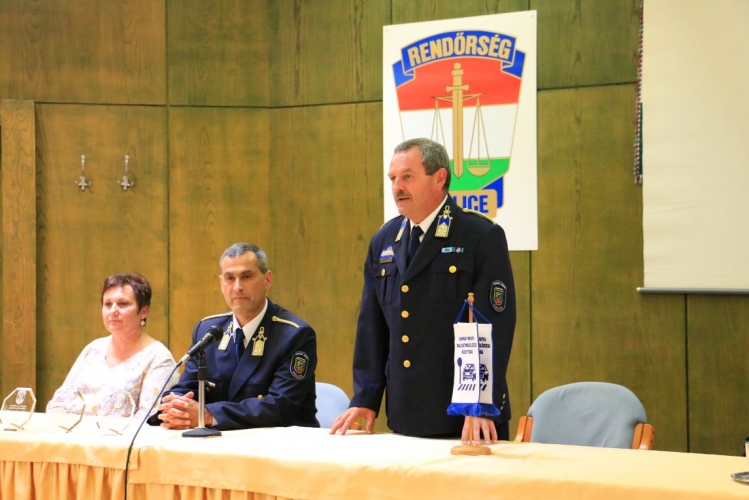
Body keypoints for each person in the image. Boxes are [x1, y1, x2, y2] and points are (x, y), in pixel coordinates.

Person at [330, 138, 516, 443]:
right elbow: (372, 328)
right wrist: (366, 397)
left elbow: (494, 326)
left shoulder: (479, 236)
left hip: (465, 417)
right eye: (393, 178)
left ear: (439, 178)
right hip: (406, 414)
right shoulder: (384, 240)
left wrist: (480, 404)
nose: (397, 187)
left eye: (407, 176)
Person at [151, 242, 318, 430]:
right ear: (221, 283)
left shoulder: (294, 335)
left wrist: (207, 414)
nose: (237, 287)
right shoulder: (208, 330)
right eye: (230, 278)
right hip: (221, 440)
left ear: (267, 280)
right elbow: (188, 387)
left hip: (279, 442)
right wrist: (177, 408)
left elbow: (281, 405)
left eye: (247, 277)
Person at [46, 273, 179, 419]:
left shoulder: (159, 358)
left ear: (143, 311)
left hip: (122, 434)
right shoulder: (93, 349)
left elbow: (148, 418)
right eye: (108, 304)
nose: (113, 310)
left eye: (123, 304)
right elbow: (59, 401)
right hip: (71, 431)